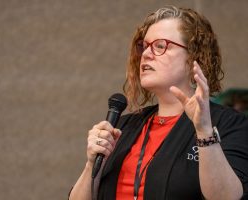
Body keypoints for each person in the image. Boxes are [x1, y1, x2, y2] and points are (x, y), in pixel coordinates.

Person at [69, 5, 248, 200]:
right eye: (144, 46)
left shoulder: (230, 124)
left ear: (193, 58)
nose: (146, 54)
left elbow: (228, 197)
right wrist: (91, 164)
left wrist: (204, 131)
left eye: (160, 46)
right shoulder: (123, 127)